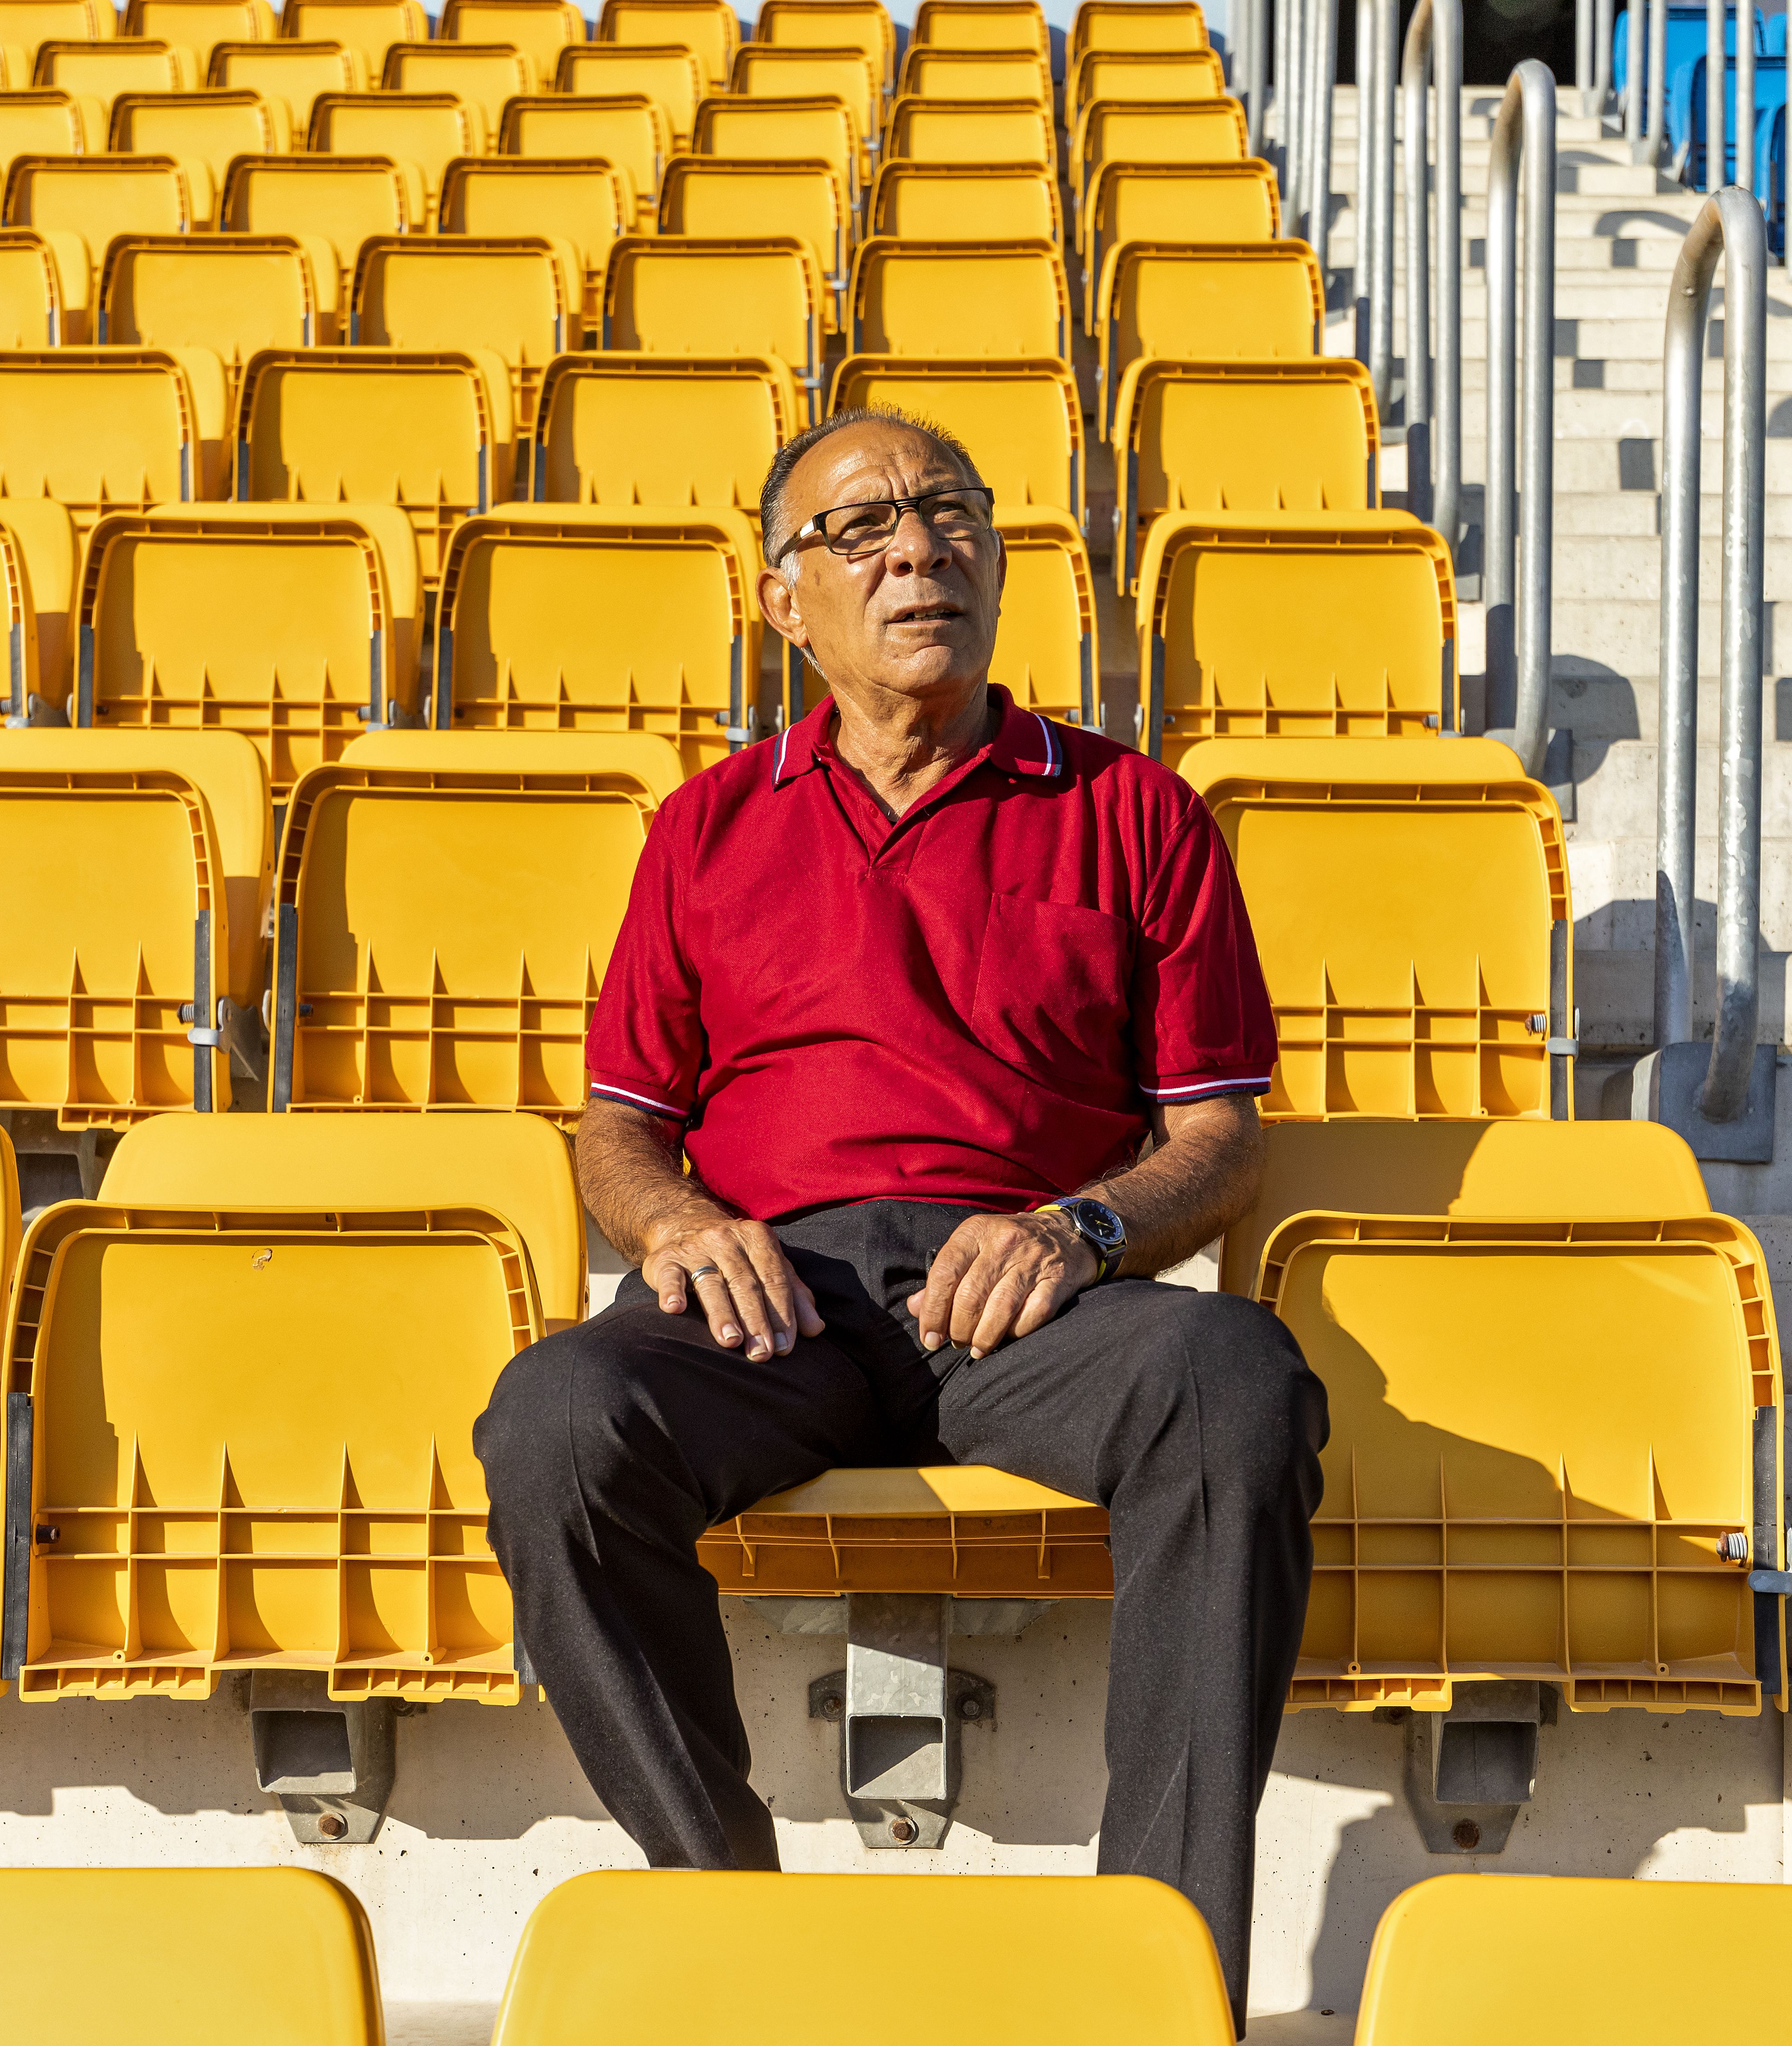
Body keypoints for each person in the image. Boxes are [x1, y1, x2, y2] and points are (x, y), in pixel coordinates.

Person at [474, 408, 1326, 2026]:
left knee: (1236, 1384)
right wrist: (671, 1226)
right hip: (773, 1301)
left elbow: (1218, 1136)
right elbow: (620, 1126)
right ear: (783, 601)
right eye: (861, 528)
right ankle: (725, 1923)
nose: (915, 549)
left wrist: (1083, 1228)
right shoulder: (706, 825)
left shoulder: (1132, 808)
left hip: (1029, 1299)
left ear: (998, 560)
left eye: (946, 515)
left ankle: (1162, 1967)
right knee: (554, 1418)